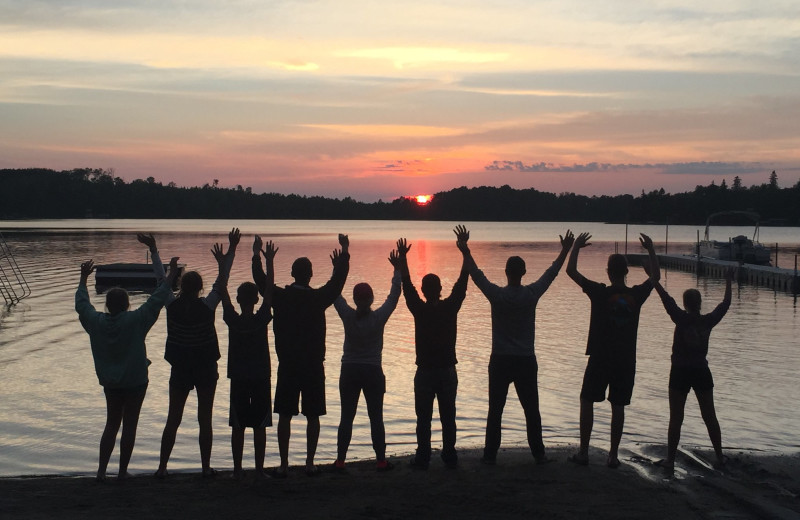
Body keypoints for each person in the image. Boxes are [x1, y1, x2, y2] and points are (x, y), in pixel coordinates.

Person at [455, 225, 574, 465]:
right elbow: (551, 273)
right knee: (531, 409)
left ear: (506, 272)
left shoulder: (497, 295)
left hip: (500, 359)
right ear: (523, 273)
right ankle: (538, 454)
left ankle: (490, 455)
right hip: (525, 359)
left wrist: (464, 249)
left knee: (495, 410)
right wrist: (565, 251)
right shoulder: (531, 294)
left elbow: (476, 274)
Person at [75, 234, 179, 482]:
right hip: (135, 381)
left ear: (109, 306)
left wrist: (82, 279)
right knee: (129, 426)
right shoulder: (135, 321)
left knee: (112, 424)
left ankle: (101, 472)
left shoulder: (97, 323)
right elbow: (157, 299)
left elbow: (82, 306)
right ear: (127, 304)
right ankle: (122, 472)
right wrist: (172, 273)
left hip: (111, 382)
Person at [252, 233, 350, 477]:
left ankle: (284, 464)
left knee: (285, 414)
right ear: (310, 275)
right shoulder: (318, 298)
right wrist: (344, 254)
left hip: (288, 364)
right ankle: (309, 462)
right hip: (313, 365)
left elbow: (260, 281)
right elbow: (338, 283)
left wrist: (257, 255)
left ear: (293, 274)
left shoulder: (282, 297)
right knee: (313, 414)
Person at [566, 232, 659, 468]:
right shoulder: (636, 295)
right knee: (618, 405)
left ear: (608, 272)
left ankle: (584, 452)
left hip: (600, 356)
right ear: (626, 272)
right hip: (625, 359)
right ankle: (613, 455)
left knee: (587, 399)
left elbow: (571, 272)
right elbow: (656, 278)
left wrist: (575, 247)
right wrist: (651, 249)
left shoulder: (599, 292)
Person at [153, 228, 240, 479]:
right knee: (205, 419)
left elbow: (161, 283)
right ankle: (204, 467)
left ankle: (162, 468)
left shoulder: (171, 304)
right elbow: (222, 283)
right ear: (200, 288)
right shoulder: (207, 305)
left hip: (180, 368)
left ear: (181, 285)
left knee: (173, 418)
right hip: (204, 369)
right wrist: (231, 250)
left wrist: (155, 253)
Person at [397, 235, 468, 470]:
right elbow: (462, 283)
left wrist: (403, 260)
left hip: (426, 372)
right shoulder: (450, 307)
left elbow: (407, 287)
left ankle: (423, 457)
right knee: (448, 418)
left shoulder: (420, 309)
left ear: (424, 291)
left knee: (423, 419)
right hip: (447, 370)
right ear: (439, 289)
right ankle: (449, 456)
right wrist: (464, 250)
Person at [653, 267, 733, 473]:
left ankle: (670, 460)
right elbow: (725, 305)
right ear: (699, 304)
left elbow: (665, 298)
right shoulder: (708, 321)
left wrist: (652, 278)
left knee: (676, 418)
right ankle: (719, 457)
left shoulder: (680, 318)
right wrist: (729, 281)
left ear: (685, 304)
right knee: (710, 416)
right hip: (701, 371)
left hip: (680, 372)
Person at [332, 248, 402, 472]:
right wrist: (397, 269)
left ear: (355, 299)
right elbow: (394, 296)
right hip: (372, 371)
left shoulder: (347, 315)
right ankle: (381, 460)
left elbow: (335, 294)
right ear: (371, 299)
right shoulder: (378, 317)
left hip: (350, 370)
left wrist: (338, 267)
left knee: (346, 418)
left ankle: (341, 460)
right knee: (376, 417)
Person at [220, 236, 277, 480]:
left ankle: (237, 470)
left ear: (238, 299)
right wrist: (269, 261)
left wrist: (224, 264)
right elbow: (271, 290)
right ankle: (260, 470)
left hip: (240, 377)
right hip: (260, 375)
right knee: (260, 425)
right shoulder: (261, 317)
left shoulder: (233, 320)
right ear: (255, 300)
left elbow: (221, 289)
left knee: (238, 425)